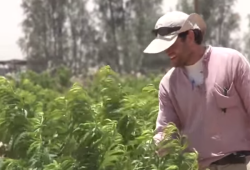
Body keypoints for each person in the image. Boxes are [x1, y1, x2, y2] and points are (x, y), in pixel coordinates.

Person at [143, 11, 250, 170]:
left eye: (172, 44)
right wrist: (154, 148)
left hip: (234, 164)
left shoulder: (232, 62)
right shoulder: (169, 84)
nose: (167, 51)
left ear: (190, 37)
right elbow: (166, 130)